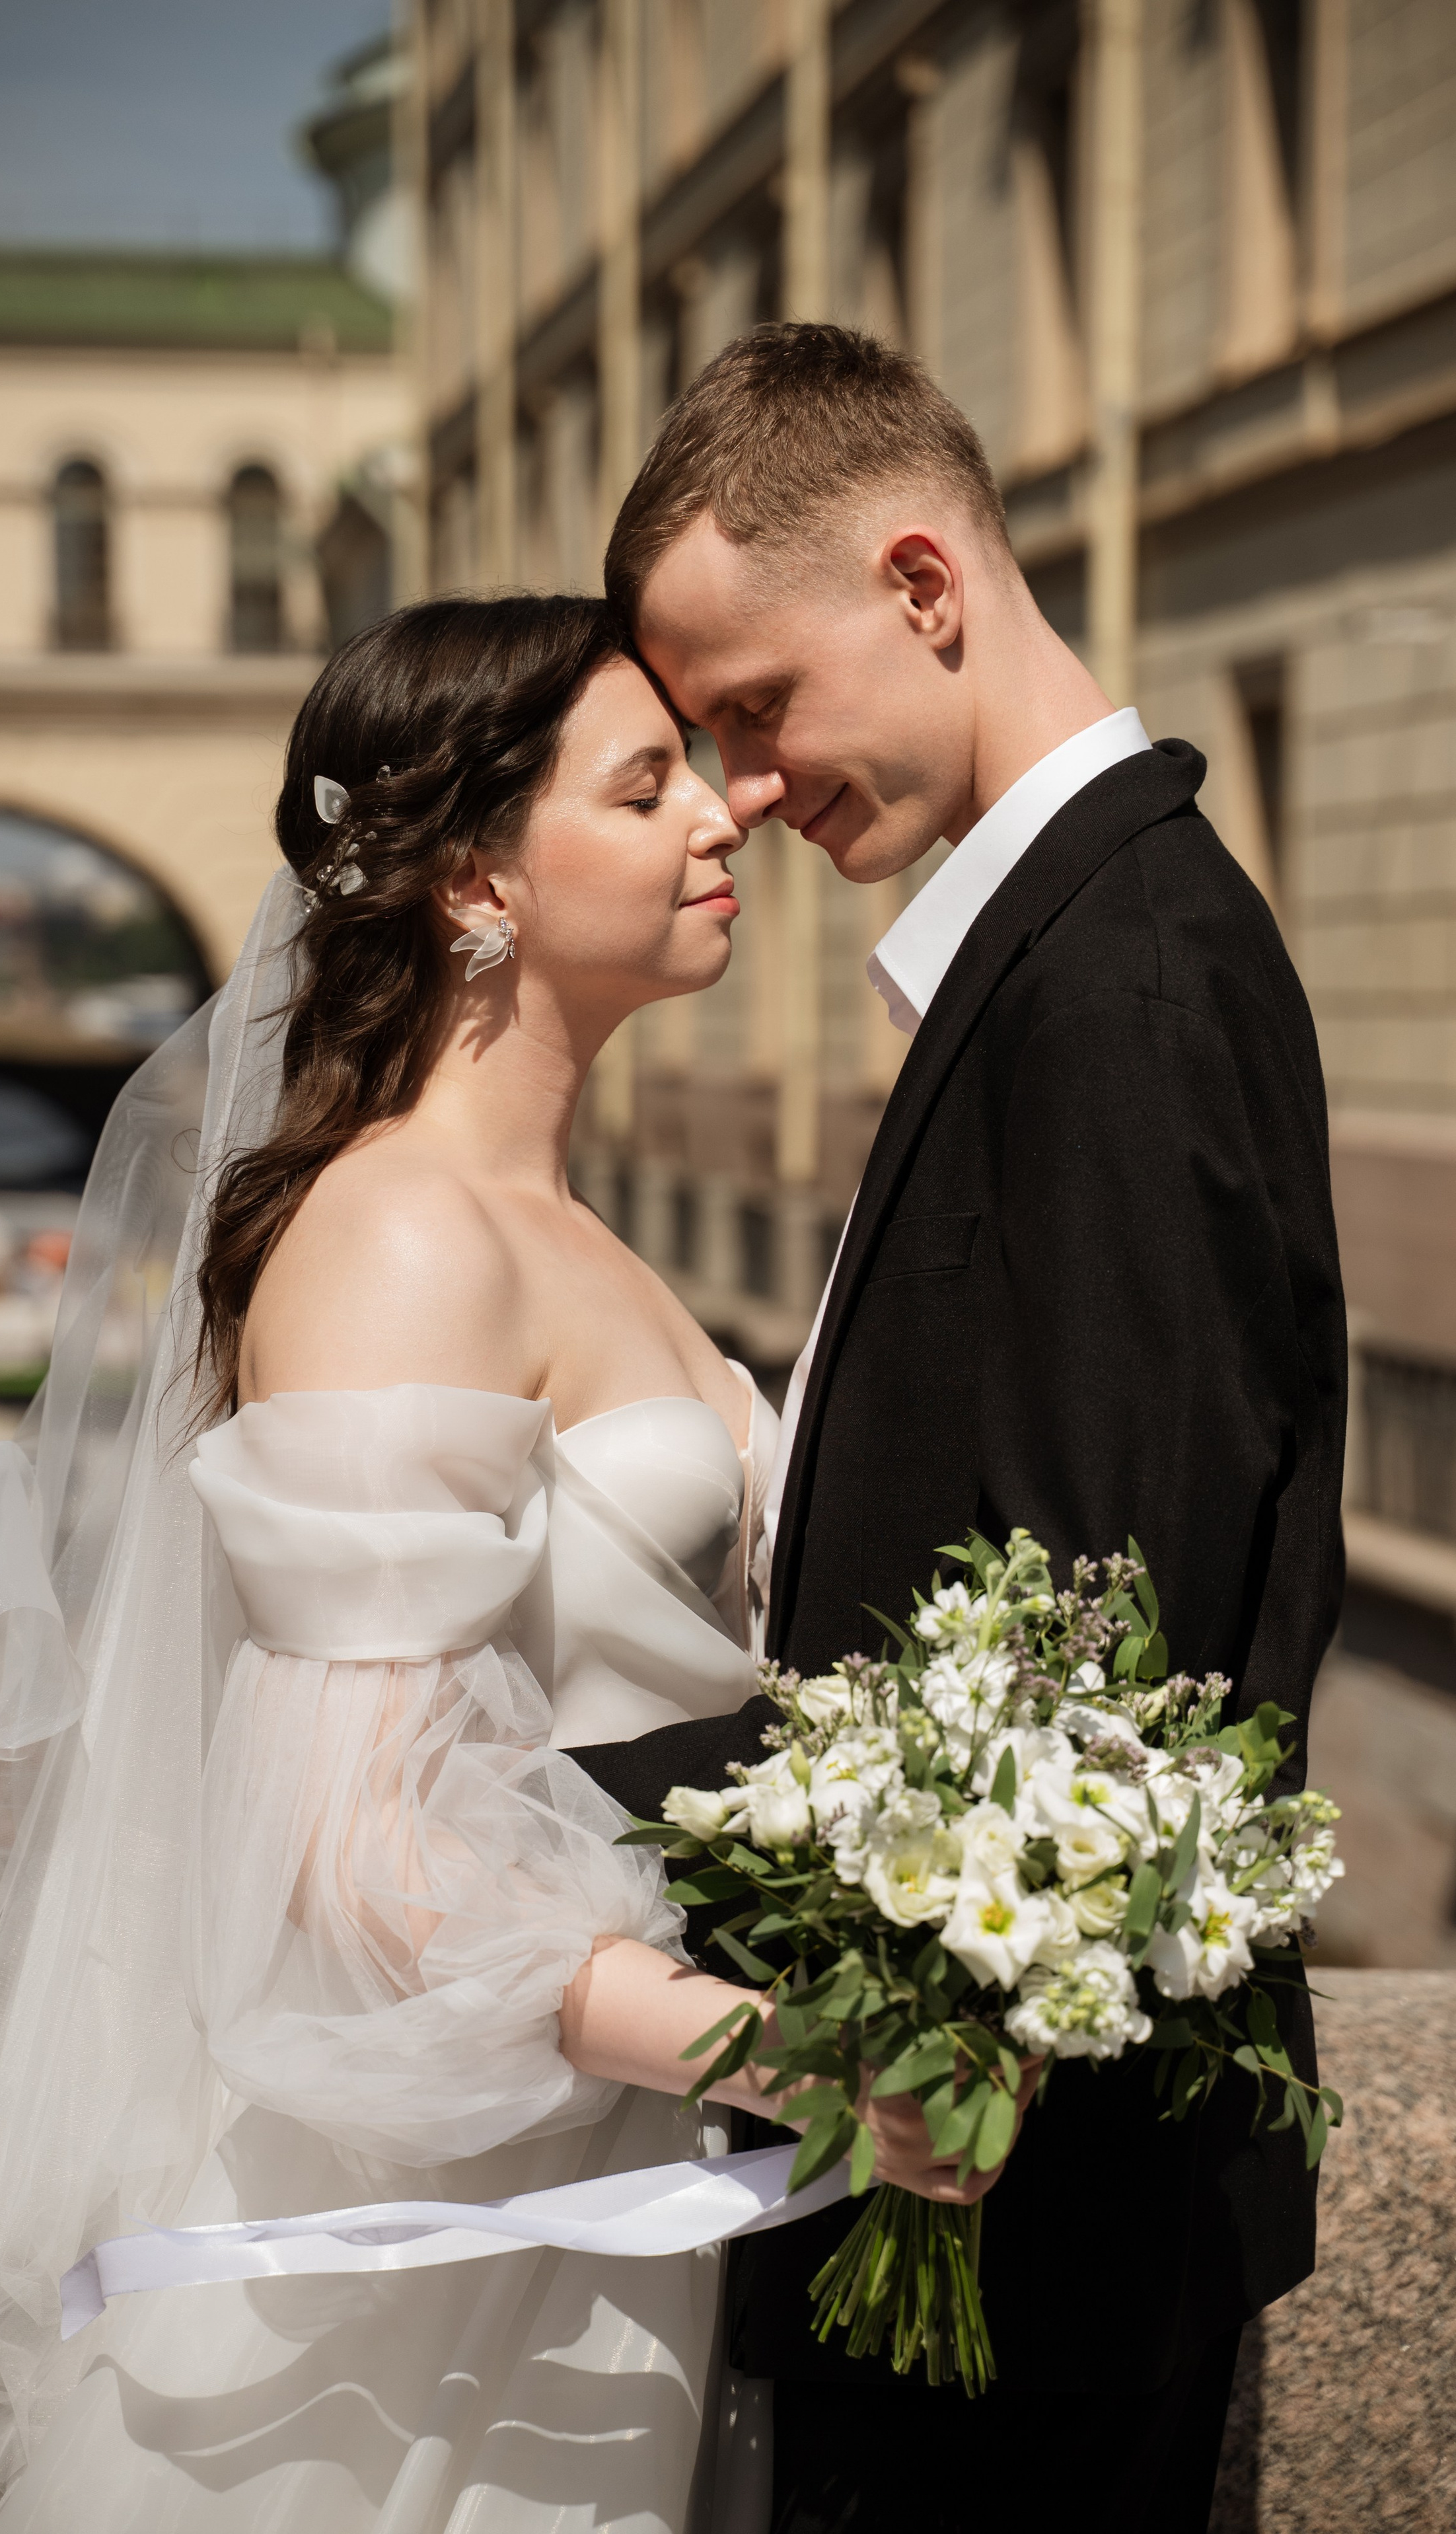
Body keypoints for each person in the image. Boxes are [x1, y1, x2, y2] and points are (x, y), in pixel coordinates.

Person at [0, 594, 1022, 2534]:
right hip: (416, 2249)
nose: (723, 815)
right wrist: (803, 2054)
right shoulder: (398, 1237)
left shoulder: (569, 1228)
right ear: (478, 881)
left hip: (596, 2184)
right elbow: (356, 1862)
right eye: (645, 788)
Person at [575, 325, 1348, 2534]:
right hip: (981, 2185)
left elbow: (1107, 1638)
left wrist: (917, 2058)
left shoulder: (1113, 983)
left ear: (924, 584)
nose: (735, 785)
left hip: (1022, 2213)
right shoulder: (1068, 949)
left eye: (753, 708)